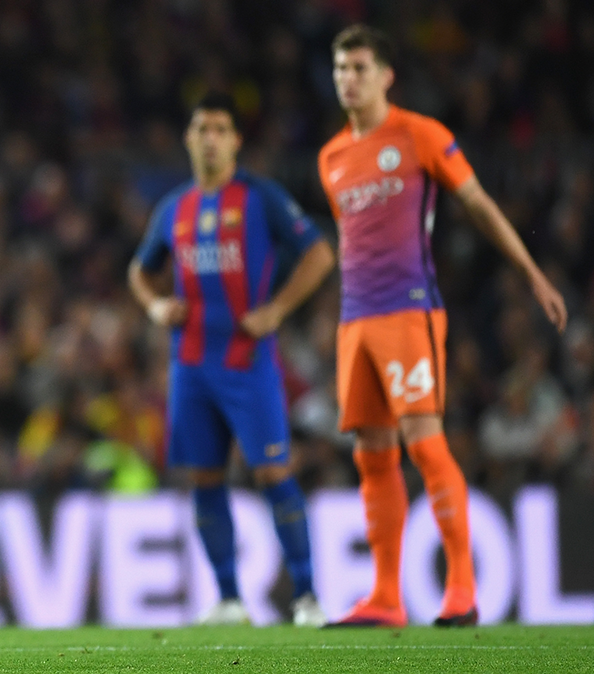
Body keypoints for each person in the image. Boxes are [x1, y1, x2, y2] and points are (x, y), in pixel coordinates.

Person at [319, 24, 567, 627]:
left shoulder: (419, 134)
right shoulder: (330, 158)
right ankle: (384, 597)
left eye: (359, 67)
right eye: (340, 69)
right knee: (372, 459)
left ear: (386, 75)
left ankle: (461, 590)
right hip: (356, 321)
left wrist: (530, 270)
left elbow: (477, 202)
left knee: (425, 444)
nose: (347, 79)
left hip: (409, 310)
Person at [128, 93, 336, 627]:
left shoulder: (261, 198)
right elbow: (139, 270)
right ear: (189, 138)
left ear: (236, 140)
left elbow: (319, 253)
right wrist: (155, 305)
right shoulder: (174, 208)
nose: (210, 137)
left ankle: (306, 596)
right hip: (191, 367)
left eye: (220, 128)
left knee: (272, 470)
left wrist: (277, 310)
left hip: (249, 362)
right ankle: (228, 599)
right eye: (201, 128)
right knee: (204, 477)